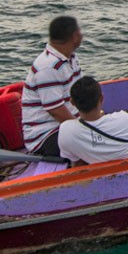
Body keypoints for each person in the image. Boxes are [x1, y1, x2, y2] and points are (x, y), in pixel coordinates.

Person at [21, 16, 84, 156]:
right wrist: (84, 130)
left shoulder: (70, 58)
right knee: (98, 143)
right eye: (79, 31)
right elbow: (55, 110)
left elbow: (81, 92)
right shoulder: (48, 67)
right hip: (45, 136)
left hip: (66, 125)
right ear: (74, 36)